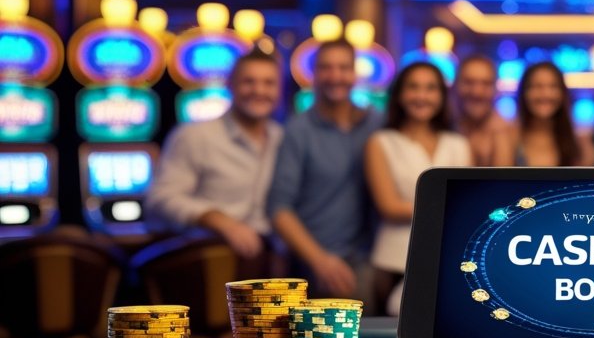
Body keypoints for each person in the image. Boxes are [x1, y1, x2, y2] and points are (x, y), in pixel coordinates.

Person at [267, 39, 382, 299]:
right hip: (314, 260)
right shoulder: (298, 130)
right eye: (326, 68)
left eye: (343, 68)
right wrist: (320, 260)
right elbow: (279, 209)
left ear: (355, 73)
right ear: (314, 74)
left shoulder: (376, 122)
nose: (335, 76)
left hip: (368, 257)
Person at [147, 49, 283, 260]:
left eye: (268, 83)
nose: (259, 90)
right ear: (230, 85)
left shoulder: (280, 138)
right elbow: (160, 200)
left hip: (267, 257)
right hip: (206, 256)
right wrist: (218, 220)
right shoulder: (195, 135)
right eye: (249, 81)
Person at [366, 61, 472, 315]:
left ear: (442, 96)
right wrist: (449, 208)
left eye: (430, 88)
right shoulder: (381, 142)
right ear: (400, 94)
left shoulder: (458, 143)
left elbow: (468, 206)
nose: (421, 96)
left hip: (449, 260)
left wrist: (453, 208)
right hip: (394, 261)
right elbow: (389, 207)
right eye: (413, 87)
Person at [505, 61, 594, 166]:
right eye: (537, 86)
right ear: (524, 92)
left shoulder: (579, 140)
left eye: (553, 86)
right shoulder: (508, 137)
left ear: (563, 93)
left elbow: (587, 176)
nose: (545, 94)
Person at [453, 53, 512, 167]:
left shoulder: (512, 134)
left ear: (496, 89)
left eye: (486, 84)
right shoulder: (441, 128)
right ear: (456, 85)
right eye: (469, 82)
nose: (477, 92)